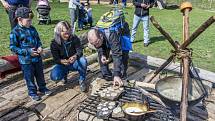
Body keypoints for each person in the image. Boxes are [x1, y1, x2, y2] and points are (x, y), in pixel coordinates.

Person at [9, 7, 51, 101]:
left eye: (31, 20)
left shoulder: (32, 28)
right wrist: (28, 51)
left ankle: (43, 88)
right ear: (19, 19)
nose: (30, 23)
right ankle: (32, 92)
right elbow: (13, 48)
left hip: (37, 58)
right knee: (29, 77)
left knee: (40, 75)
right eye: (28, 21)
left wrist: (40, 47)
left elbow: (38, 40)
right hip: (26, 61)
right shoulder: (15, 32)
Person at [87, 22, 131, 87]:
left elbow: (117, 54)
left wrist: (116, 74)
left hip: (122, 35)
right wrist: (103, 54)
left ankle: (121, 76)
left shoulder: (112, 35)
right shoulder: (96, 35)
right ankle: (107, 76)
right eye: (93, 44)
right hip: (106, 37)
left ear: (101, 36)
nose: (96, 46)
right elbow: (99, 46)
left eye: (97, 42)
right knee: (101, 55)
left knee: (123, 55)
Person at [50, 21, 88, 92]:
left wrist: (75, 56)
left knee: (83, 61)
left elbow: (79, 50)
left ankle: (82, 80)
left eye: (69, 32)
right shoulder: (54, 43)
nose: (67, 35)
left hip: (74, 62)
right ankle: (64, 76)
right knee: (55, 76)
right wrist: (61, 61)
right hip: (62, 65)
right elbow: (56, 59)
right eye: (65, 33)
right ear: (59, 32)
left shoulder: (74, 38)